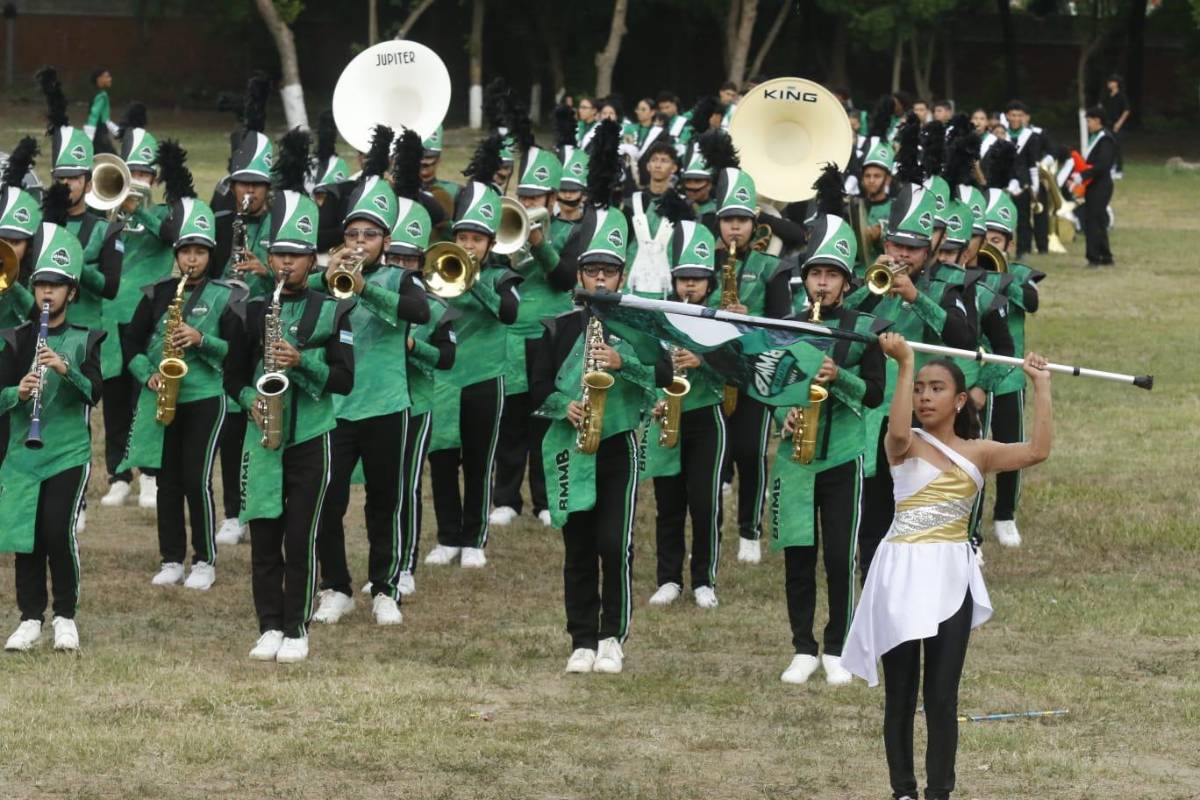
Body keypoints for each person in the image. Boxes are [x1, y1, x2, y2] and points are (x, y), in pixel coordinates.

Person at [842, 334, 1052, 800]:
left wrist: (1040, 384)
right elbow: (896, 432)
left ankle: (940, 792)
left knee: (941, 695)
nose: (924, 397)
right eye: (918, 388)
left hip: (950, 576)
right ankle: (903, 791)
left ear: (959, 400)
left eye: (935, 388)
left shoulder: (979, 452)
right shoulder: (904, 443)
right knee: (899, 693)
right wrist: (903, 365)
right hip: (899, 572)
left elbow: (1037, 451)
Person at [531, 121, 671, 673]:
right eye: (591, 270)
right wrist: (558, 406)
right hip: (570, 442)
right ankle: (581, 638)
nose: (599, 279)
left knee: (614, 544)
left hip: (616, 442)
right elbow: (538, 388)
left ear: (621, 275)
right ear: (581, 276)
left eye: (609, 271)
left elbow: (659, 375)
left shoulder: (640, 325)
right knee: (576, 547)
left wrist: (622, 361)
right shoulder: (559, 326)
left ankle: (614, 636)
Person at [223, 130, 355, 664]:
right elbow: (231, 375)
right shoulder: (252, 311)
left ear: (312, 262)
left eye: (296, 257)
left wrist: (302, 363)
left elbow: (343, 379)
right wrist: (246, 401)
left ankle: (297, 627)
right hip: (263, 437)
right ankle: (268, 625)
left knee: (300, 537)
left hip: (312, 437)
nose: (285, 266)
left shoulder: (332, 310)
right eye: (278, 255)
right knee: (264, 539)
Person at [309, 127, 432, 627]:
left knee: (386, 500)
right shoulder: (323, 280)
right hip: (336, 407)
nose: (360, 243)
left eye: (370, 236)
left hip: (386, 403)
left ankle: (385, 587)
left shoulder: (401, 279)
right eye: (353, 235)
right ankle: (335, 586)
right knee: (328, 501)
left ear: (386, 240)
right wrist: (326, 280)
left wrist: (365, 289)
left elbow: (418, 314)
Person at [772, 211, 887, 685]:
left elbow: (876, 393)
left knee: (840, 554)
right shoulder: (784, 326)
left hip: (841, 452)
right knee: (798, 552)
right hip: (795, 456)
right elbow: (772, 386)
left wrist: (840, 377)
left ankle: (839, 645)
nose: (822, 284)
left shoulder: (867, 327)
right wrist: (785, 414)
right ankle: (803, 646)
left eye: (831, 276)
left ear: (846, 282)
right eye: (816, 274)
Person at [120, 152, 244, 591]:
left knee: (195, 477)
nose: (192, 259)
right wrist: (146, 374)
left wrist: (201, 339)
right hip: (162, 395)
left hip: (206, 398)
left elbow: (237, 354)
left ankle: (204, 559)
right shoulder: (156, 293)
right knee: (165, 478)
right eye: (186, 251)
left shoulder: (228, 297)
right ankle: (171, 558)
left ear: (210, 254)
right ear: (176, 254)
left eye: (199, 252)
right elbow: (131, 342)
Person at [1, 197, 104, 653]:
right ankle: (29, 617)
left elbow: (94, 394)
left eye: (56, 286)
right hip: (23, 452)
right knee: (26, 535)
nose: (46, 294)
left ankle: (65, 615)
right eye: (41, 284)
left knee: (56, 531)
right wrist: (17, 393)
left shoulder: (86, 339)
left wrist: (64, 368)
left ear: (72, 293)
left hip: (67, 451)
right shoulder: (15, 339)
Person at [425, 135, 523, 569]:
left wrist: (474, 280)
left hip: (485, 377)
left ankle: (474, 539)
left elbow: (507, 314)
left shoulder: (501, 277)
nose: (467, 245)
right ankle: (447, 535)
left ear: (489, 243)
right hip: (444, 378)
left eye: (476, 239)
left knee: (480, 460)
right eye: (462, 236)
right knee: (443, 459)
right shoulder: (435, 266)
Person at [39, 67, 123, 533]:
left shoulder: (105, 227)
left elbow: (109, 287)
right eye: (62, 176)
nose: (68, 184)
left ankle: (79, 500)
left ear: (89, 180)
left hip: (84, 334)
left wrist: (74, 265)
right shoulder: (42, 224)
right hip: (41, 327)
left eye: (76, 177)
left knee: (76, 421)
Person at [708, 155, 797, 564]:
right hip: (710, 371)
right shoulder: (703, 262)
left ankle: (749, 530)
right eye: (728, 220)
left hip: (753, 374)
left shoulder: (771, 267)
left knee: (750, 450)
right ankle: (712, 524)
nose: (735, 228)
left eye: (742, 220)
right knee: (711, 453)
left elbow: (782, 325)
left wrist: (750, 322)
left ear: (754, 223)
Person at [642, 204, 727, 610]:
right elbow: (649, 365)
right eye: (683, 280)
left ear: (709, 282)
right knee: (668, 502)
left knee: (705, 501)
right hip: (667, 414)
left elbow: (739, 370)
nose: (689, 287)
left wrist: (704, 359)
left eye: (696, 280)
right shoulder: (660, 316)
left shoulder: (722, 319)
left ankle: (704, 579)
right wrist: (656, 399)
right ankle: (669, 578)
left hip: (706, 417)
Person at [384, 132, 458, 595]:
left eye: (408, 258)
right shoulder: (371, 291)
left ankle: (406, 562)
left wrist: (416, 350)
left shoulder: (437, 301)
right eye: (394, 256)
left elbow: (446, 358)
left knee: (407, 485)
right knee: (381, 489)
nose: (399, 264)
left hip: (419, 400)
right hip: (378, 402)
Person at [491, 144, 574, 529]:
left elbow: (565, 279)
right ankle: (506, 498)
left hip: (548, 335)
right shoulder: (502, 222)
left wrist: (540, 243)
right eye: (523, 196)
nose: (527, 202)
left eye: (535, 197)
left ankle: (545, 498)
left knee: (547, 417)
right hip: (510, 334)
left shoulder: (571, 231)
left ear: (552, 199)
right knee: (510, 419)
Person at [100, 106, 174, 512]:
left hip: (148, 317)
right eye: (132, 173)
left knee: (145, 397)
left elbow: (174, 237)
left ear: (156, 180)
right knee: (113, 401)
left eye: (145, 174)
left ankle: (150, 474)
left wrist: (138, 207)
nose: (138, 181)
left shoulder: (162, 212)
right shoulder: (106, 216)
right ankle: (117, 476)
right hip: (111, 318)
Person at [211, 82, 275, 547]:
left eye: (255, 185)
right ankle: (233, 510)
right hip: (230, 330)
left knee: (270, 419)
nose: (247, 193)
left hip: (273, 330)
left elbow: (306, 277)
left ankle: (264, 504)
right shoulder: (220, 223)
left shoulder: (287, 220)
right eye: (240, 185)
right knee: (233, 421)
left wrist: (266, 269)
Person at [1077, 107, 1116, 268]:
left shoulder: (1105, 138)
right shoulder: (1095, 137)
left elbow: (1103, 164)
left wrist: (1084, 175)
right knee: (1099, 220)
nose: (1088, 124)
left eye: (1089, 120)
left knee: (1092, 220)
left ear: (1097, 120)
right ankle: (1106, 256)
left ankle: (1093, 257)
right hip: (1093, 184)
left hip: (1101, 185)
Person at [1100, 74, 1129, 178]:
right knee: (1108, 146)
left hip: (1117, 124)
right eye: (1109, 82)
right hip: (1107, 124)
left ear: (1116, 84)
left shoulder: (1121, 96)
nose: (1109, 84)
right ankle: (1111, 167)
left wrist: (1119, 123)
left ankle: (1119, 170)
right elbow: (1102, 107)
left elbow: (1126, 110)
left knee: (1117, 147)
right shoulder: (1107, 96)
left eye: (1111, 82)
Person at [83, 67, 120, 150]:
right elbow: (94, 115)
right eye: (107, 77)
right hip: (99, 133)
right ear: (99, 79)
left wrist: (117, 131)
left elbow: (105, 118)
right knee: (112, 160)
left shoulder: (94, 93)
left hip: (97, 132)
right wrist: (89, 135)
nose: (110, 79)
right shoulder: (102, 95)